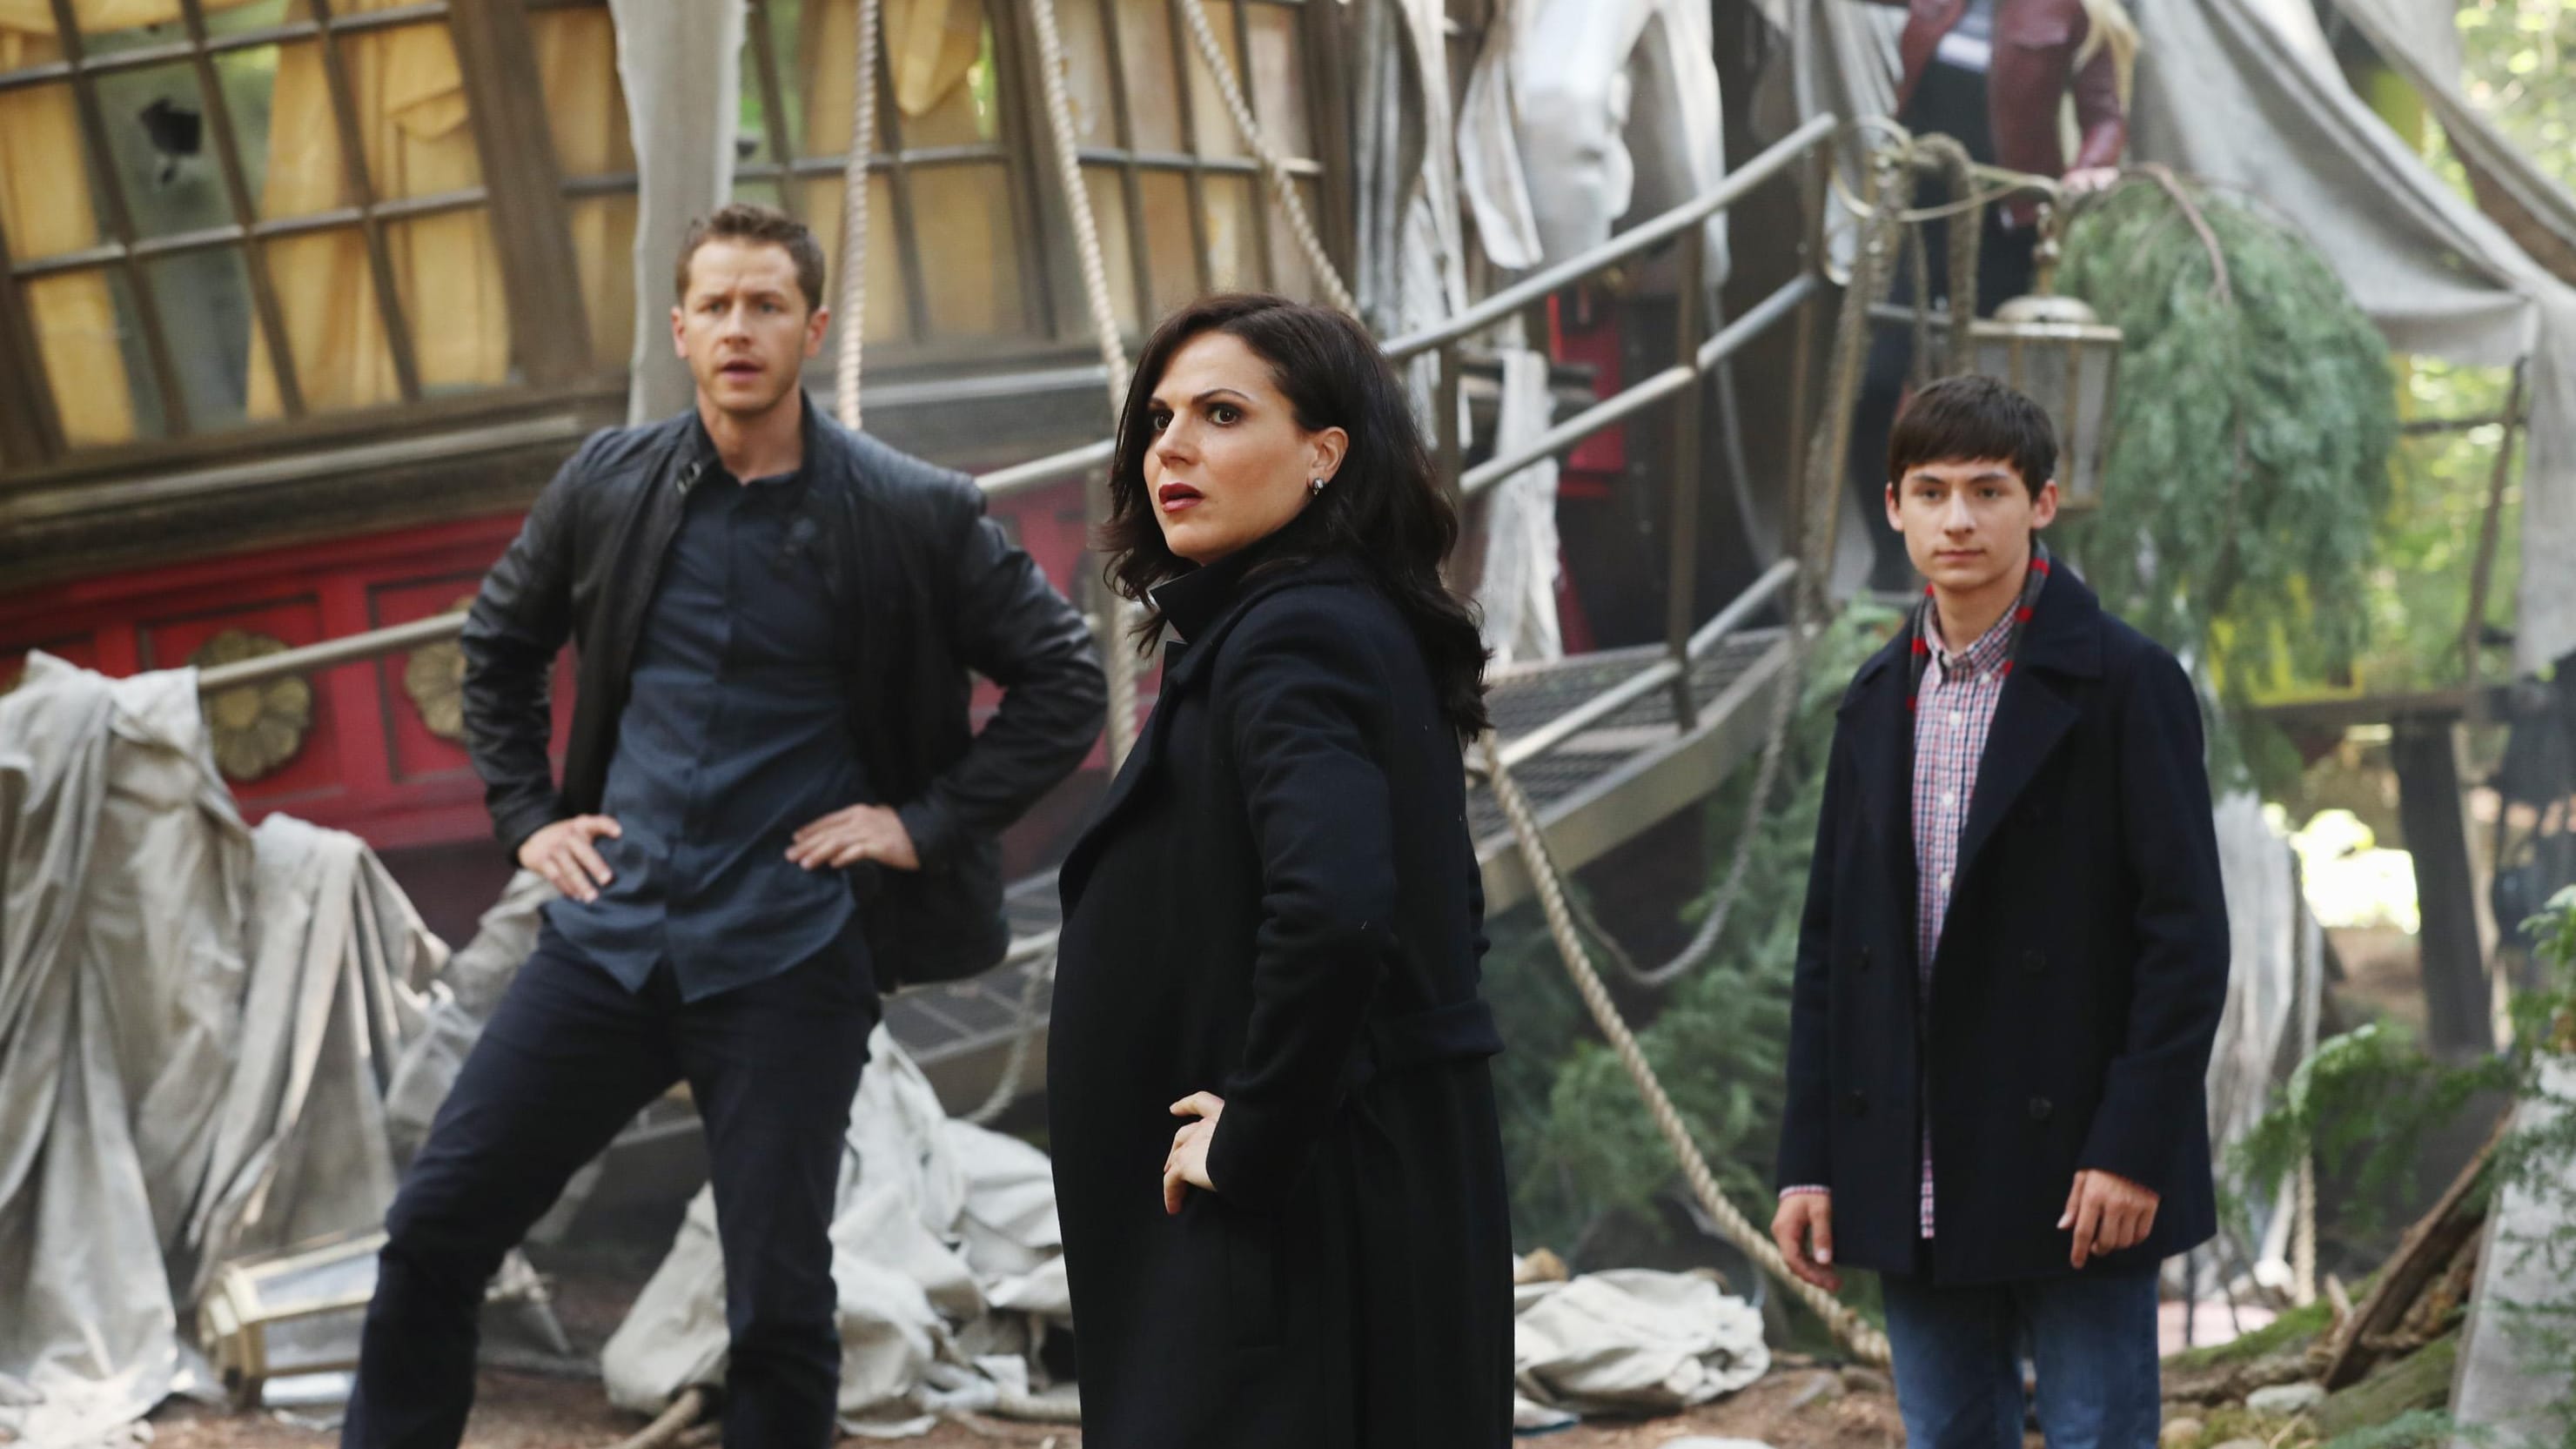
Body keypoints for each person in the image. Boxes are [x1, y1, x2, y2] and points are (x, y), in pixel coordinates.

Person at [344, 204, 1105, 1449]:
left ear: (812, 328)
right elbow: (499, 644)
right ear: (681, 328)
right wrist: (528, 817)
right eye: (718, 306)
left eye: (767, 306)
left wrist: (920, 822)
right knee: (434, 1226)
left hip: (788, 953)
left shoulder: (911, 509)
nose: (740, 329)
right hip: (609, 934)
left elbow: (1065, 680)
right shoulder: (608, 482)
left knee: (779, 1305)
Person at [1048, 294, 1513, 1446]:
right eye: (1160, 418)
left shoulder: (1291, 637)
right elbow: (1441, 904)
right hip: (1349, 1189)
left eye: (1221, 414)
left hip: (1301, 1225)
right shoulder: (1327, 621)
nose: (1172, 447)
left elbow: (1339, 907)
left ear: (1322, 454)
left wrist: (1255, 1125)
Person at [1771, 375, 2228, 1448]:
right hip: (1912, 1162)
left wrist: (2131, 1145)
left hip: (2078, 1165)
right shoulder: (1873, 698)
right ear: (1893, 507)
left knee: (2095, 1436)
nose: (1958, 521)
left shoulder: (2127, 683)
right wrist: (1809, 1162)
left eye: (1987, 491)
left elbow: (2184, 939)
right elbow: (1832, 954)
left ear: (2042, 502)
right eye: (1930, 493)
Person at [1848, 0, 2137, 587]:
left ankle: (1992, 565)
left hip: (2007, 230)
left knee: (1987, 412)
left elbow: (2106, 115)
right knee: (1874, 385)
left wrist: (2089, 168)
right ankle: (1888, 557)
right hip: (1920, 218)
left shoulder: (2075, 12)